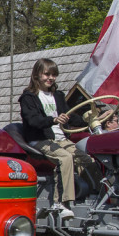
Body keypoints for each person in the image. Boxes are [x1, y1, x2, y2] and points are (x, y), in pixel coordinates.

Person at [19, 58, 87, 220]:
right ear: (37, 75)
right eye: (46, 74)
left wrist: (90, 118)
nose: (50, 78)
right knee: (65, 157)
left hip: (61, 139)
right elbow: (33, 121)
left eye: (54, 75)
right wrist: (53, 120)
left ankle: (94, 194)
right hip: (41, 139)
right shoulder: (29, 98)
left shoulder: (58, 96)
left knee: (86, 158)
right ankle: (62, 202)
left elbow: (71, 117)